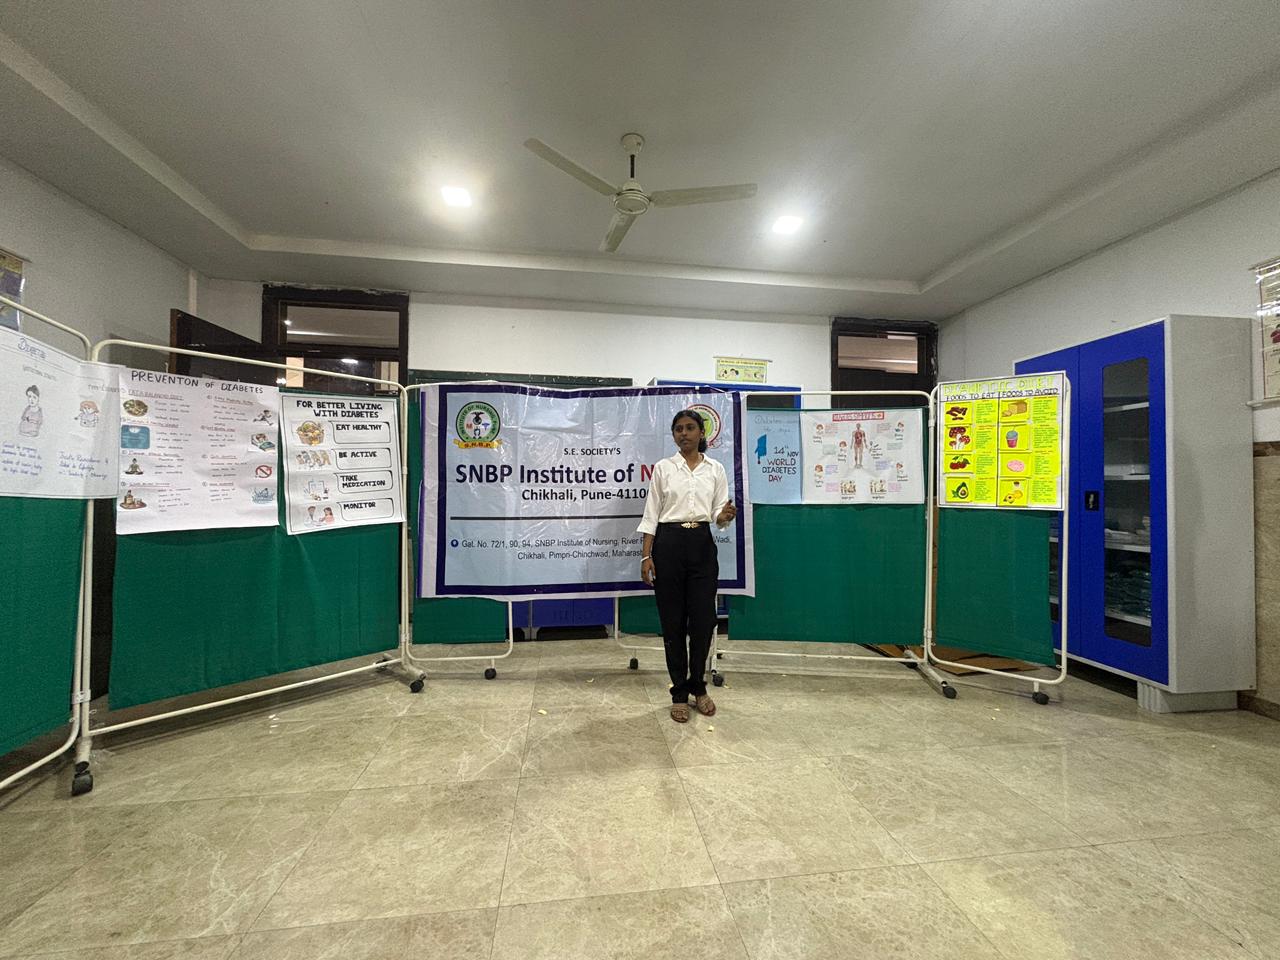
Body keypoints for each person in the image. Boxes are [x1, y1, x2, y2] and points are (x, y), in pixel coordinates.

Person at [638, 410, 737, 723]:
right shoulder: (664, 468)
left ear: (701, 433)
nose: (684, 433)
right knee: (673, 623)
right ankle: (679, 692)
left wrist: (724, 517)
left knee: (703, 621)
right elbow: (651, 514)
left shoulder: (715, 469)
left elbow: (719, 514)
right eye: (678, 429)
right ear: (674, 435)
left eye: (690, 428)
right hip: (668, 545)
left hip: (701, 546)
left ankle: (699, 686)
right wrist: (646, 556)